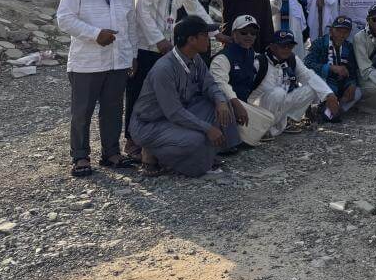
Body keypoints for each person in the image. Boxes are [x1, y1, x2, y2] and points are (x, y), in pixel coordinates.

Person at [127, 0, 218, 157]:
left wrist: (213, 30)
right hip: (147, 45)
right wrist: (157, 39)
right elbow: (141, 9)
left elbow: (193, 5)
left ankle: (153, 141)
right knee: (138, 94)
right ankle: (131, 141)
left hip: (166, 45)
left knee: (160, 97)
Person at [56, 0, 140, 177]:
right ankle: (80, 156)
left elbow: (131, 24)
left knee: (113, 109)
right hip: (87, 61)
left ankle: (111, 153)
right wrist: (95, 34)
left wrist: (132, 54)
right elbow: (65, 19)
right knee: (82, 111)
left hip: (117, 59)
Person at [130, 16, 240, 177]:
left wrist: (221, 101)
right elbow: (173, 112)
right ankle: (152, 154)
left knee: (222, 104)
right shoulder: (164, 69)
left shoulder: (195, 58)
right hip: (150, 124)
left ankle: (206, 156)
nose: (208, 39)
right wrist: (207, 128)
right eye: (204, 35)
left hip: (175, 116)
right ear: (191, 39)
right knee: (195, 140)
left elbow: (210, 85)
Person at [248, 30, 341, 134]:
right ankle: (265, 130)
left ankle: (286, 121)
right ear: (273, 47)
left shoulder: (292, 59)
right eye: (283, 46)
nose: (287, 49)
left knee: (313, 88)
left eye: (290, 46)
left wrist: (329, 94)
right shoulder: (259, 62)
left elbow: (309, 76)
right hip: (258, 109)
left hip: (279, 102)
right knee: (278, 93)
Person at [208, 15, 275, 146]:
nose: (249, 36)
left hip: (243, 103)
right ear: (234, 34)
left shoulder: (253, 55)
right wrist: (237, 104)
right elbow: (219, 84)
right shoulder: (222, 58)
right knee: (259, 126)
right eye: (244, 32)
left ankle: (243, 133)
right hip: (225, 105)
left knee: (269, 118)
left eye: (253, 33)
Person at [305, 15, 361, 113]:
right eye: (338, 31)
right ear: (331, 30)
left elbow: (352, 71)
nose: (341, 35)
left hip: (341, 86)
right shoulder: (320, 43)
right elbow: (307, 64)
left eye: (345, 32)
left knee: (358, 92)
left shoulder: (349, 47)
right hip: (324, 85)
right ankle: (324, 108)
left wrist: (352, 84)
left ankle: (339, 109)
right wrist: (330, 68)